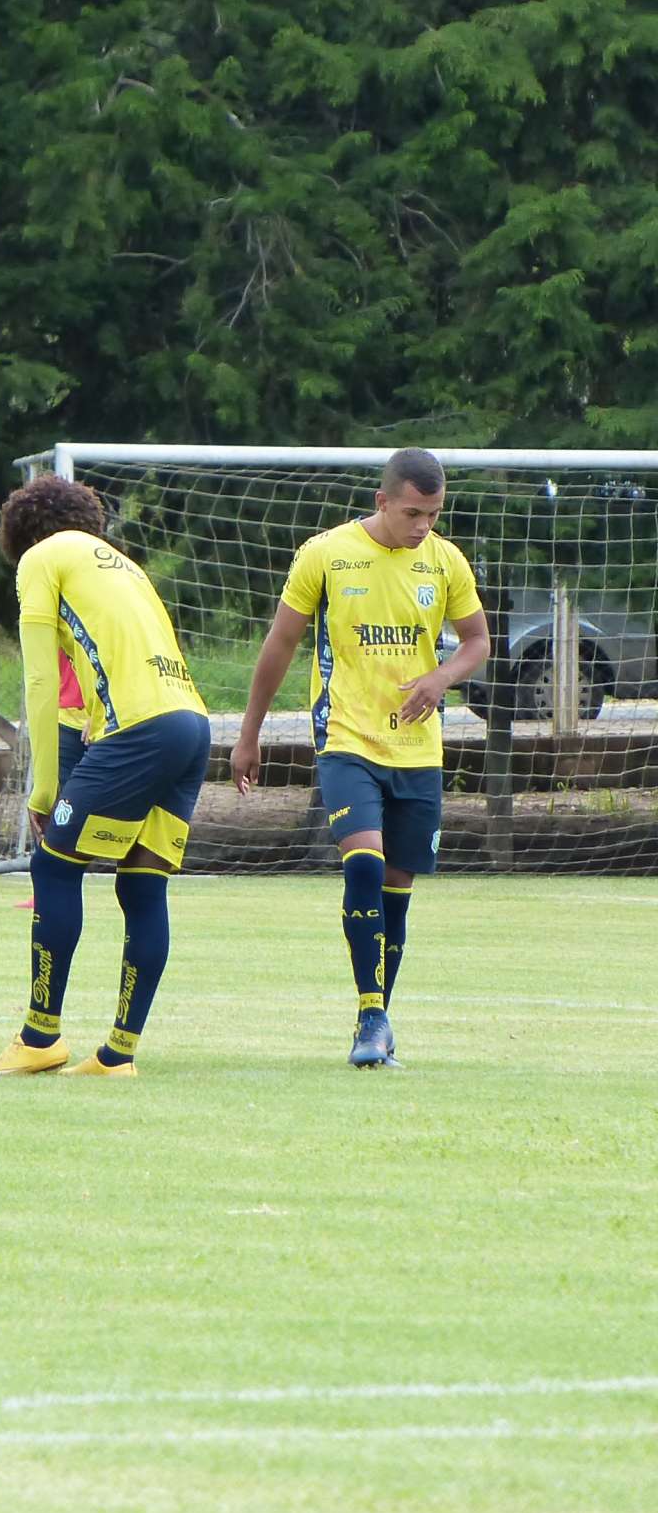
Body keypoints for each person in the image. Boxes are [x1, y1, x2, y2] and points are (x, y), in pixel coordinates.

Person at [232, 448, 488, 1068]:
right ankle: (371, 1014)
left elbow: (478, 641)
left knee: (398, 886)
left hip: (419, 749)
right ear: (382, 502)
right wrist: (249, 734)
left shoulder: (445, 560)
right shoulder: (325, 553)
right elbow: (281, 642)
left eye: (432, 514)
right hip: (346, 738)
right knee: (365, 866)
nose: (423, 526)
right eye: (412, 513)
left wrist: (441, 677)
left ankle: (378, 1019)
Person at [0, 475, 211, 1076]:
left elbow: (39, 680)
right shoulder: (125, 565)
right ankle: (118, 1053)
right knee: (142, 887)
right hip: (192, 724)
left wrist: (42, 788)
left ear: (21, 537)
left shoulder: (41, 558)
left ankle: (40, 1038)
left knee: (53, 864)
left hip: (140, 729)